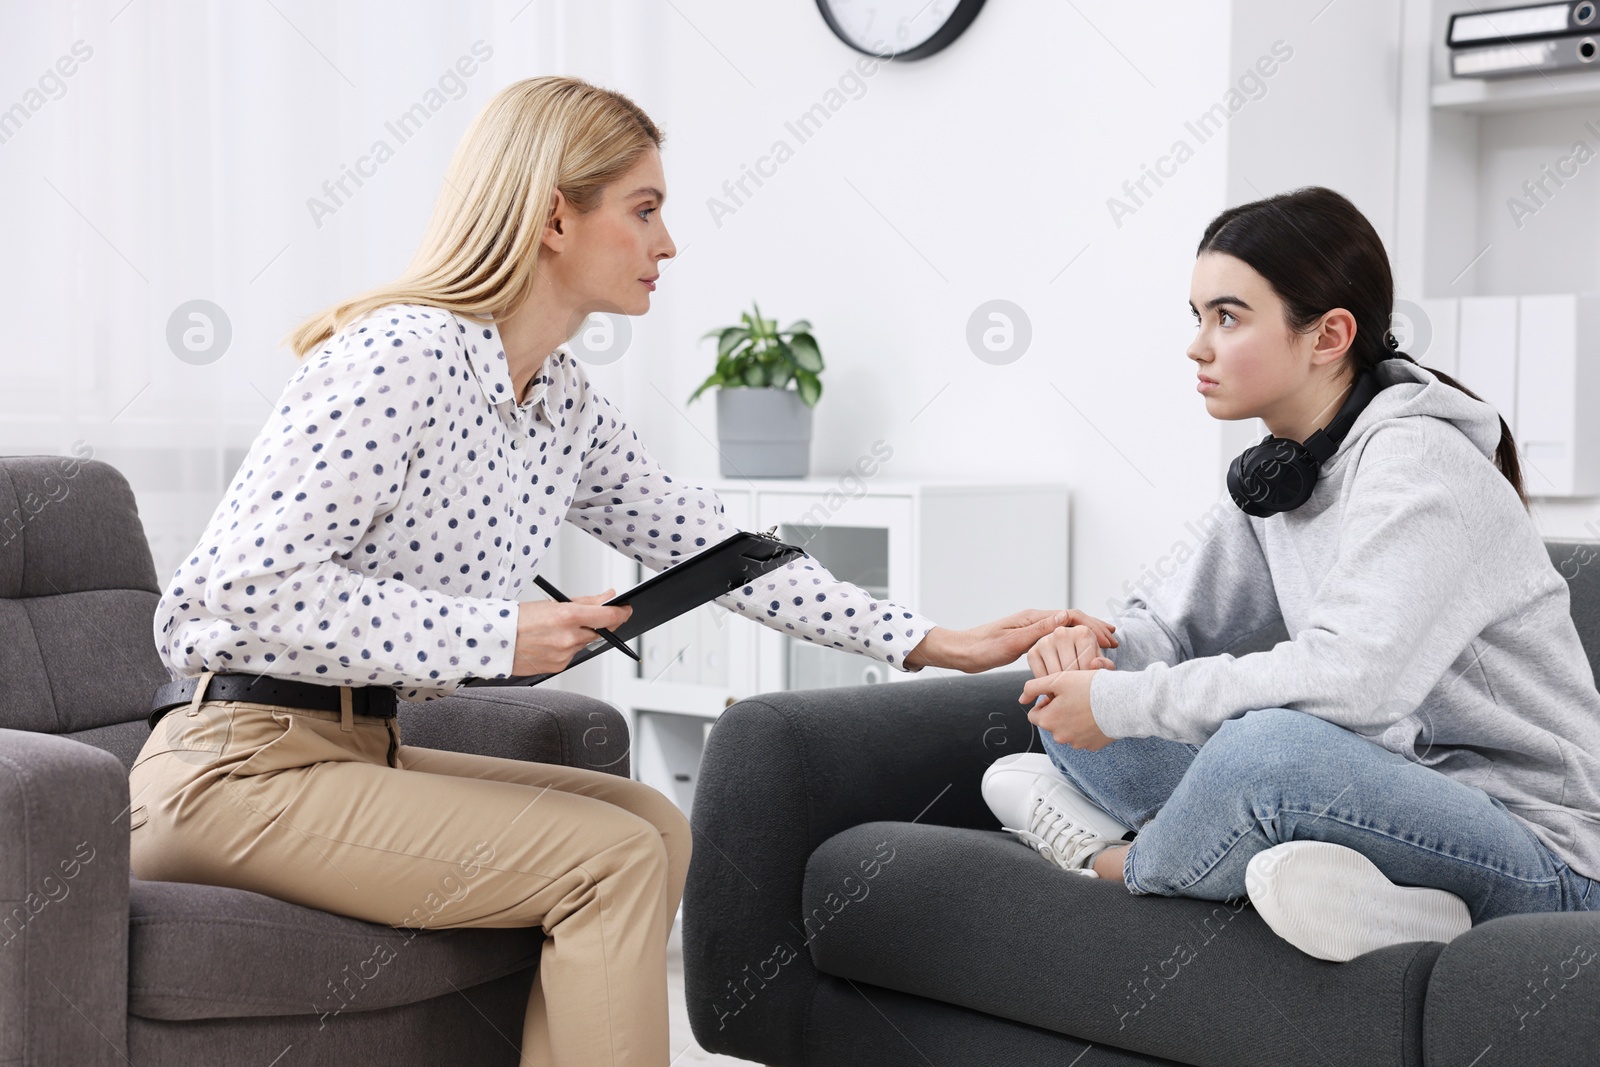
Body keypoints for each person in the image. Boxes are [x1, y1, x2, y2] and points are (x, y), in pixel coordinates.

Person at [129, 75, 1085, 1066]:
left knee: (649, 823)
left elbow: (714, 551)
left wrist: (929, 638)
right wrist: (497, 635)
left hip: (358, 749)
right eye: (643, 209)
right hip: (230, 767)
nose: (667, 242)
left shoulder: (558, 399)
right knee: (612, 858)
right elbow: (239, 591)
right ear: (553, 214)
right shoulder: (402, 356)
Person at [982, 186, 1600, 963]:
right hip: (1393, 791)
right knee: (1069, 710)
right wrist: (1095, 650)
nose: (1197, 346)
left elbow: (1352, 681)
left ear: (1329, 334)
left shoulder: (1420, 463)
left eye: (1228, 317)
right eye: (1197, 315)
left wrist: (1122, 699)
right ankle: (1378, 899)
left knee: (1268, 752)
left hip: (1546, 851)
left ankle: (1114, 859)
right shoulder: (1285, 471)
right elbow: (1176, 628)